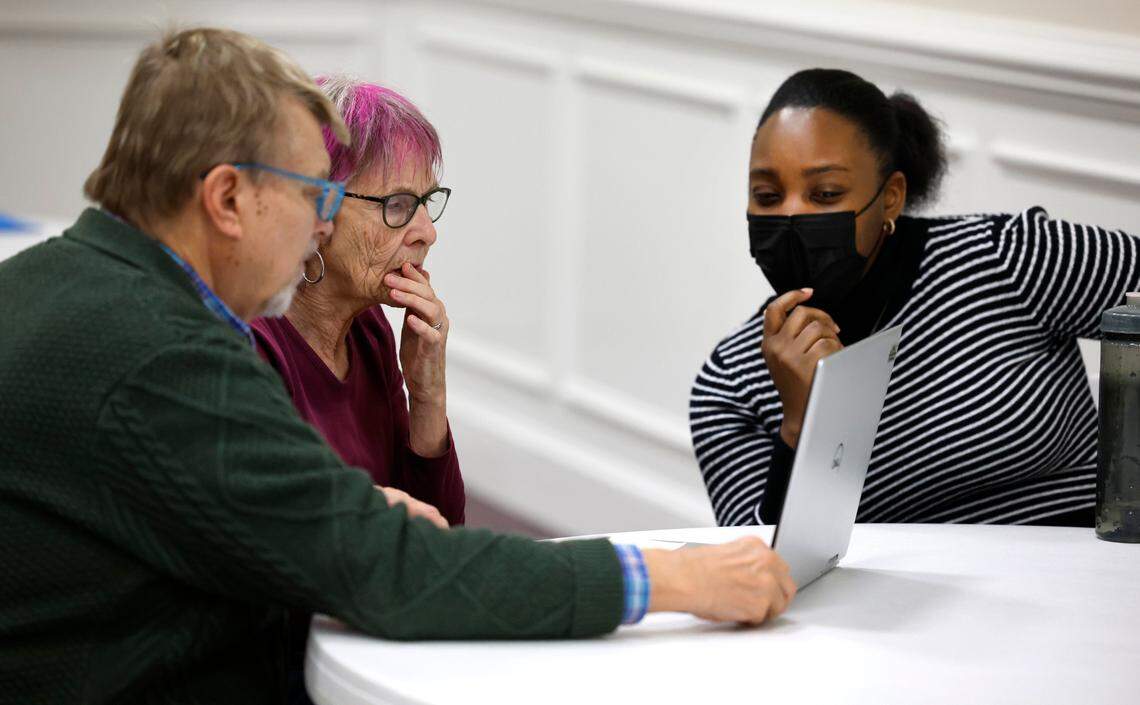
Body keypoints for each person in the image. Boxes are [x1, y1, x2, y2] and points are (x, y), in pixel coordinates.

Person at [0, 28, 795, 704]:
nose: (319, 224)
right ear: (228, 199)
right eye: (313, 191)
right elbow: (388, 572)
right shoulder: (167, 354)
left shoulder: (48, 280)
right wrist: (675, 577)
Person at [691, 68, 1140, 528]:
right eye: (767, 196)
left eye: (825, 194)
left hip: (1082, 573)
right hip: (903, 598)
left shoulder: (1009, 257)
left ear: (890, 197)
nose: (790, 214)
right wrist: (801, 425)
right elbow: (754, 568)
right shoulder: (732, 382)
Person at [251, 75, 462, 705]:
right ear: (316, 213)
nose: (427, 231)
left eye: (428, 200)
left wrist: (427, 399)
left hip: (368, 640)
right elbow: (282, 584)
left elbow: (439, 542)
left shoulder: (370, 329)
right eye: (398, 205)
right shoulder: (251, 347)